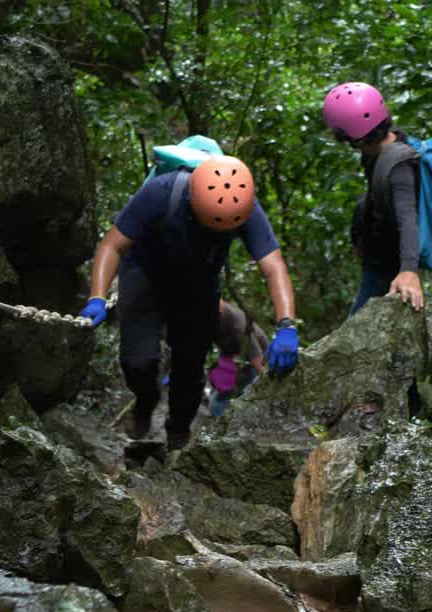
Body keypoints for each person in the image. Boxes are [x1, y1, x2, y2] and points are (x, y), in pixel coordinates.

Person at [78, 156, 299, 450]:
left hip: (199, 283)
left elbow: (273, 265)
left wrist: (286, 325)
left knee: (190, 366)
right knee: (138, 360)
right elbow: (112, 244)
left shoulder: (244, 206)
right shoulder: (160, 192)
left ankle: (179, 431)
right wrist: (97, 297)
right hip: (145, 274)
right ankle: (145, 401)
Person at [322, 81, 425, 316]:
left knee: (356, 324)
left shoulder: (399, 164)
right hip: (376, 252)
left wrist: (409, 270)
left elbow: (407, 218)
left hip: (388, 263)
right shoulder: (377, 153)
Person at [206, 298, 269, 417]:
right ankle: (219, 412)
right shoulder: (208, 317)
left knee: (249, 394)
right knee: (219, 396)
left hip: (253, 362)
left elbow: (259, 363)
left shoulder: (238, 324)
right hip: (230, 354)